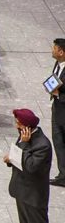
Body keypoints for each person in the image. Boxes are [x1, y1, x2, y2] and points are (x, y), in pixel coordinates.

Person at [5, 108, 52, 223]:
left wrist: (24, 144)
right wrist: (10, 159)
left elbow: (31, 167)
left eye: (18, 124)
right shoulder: (24, 134)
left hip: (33, 196)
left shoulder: (42, 145)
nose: (17, 127)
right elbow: (19, 155)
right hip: (22, 190)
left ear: (27, 127)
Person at [49, 39, 65, 187]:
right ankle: (63, 174)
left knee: (62, 142)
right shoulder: (59, 64)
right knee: (58, 141)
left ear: (61, 52)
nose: (52, 51)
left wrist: (59, 94)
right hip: (57, 108)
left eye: (54, 49)